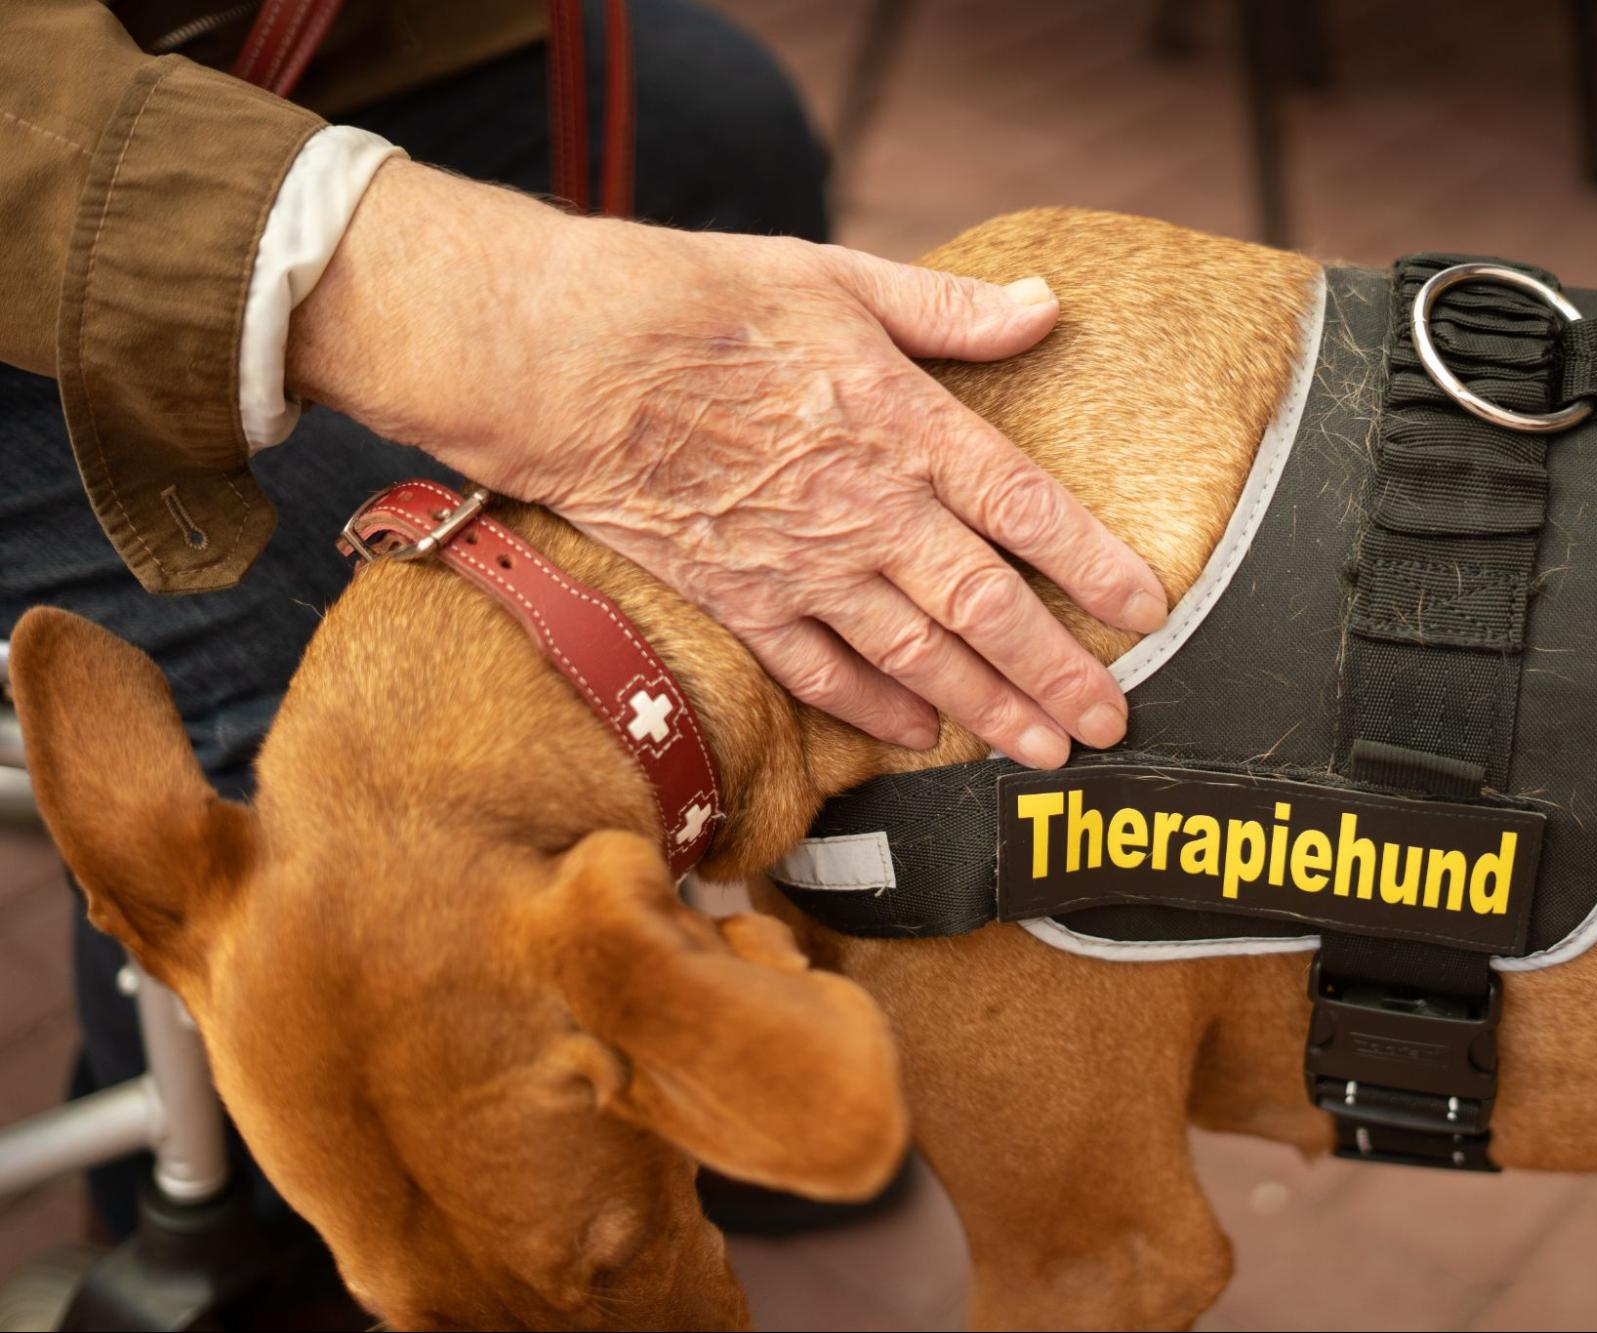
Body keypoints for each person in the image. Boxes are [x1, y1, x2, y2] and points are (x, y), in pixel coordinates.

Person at [0, 0, 1164, 1236]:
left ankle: (715, 1023)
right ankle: (229, 1245)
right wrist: (455, 300)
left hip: (226, 46)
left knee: (718, 124)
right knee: (342, 721)